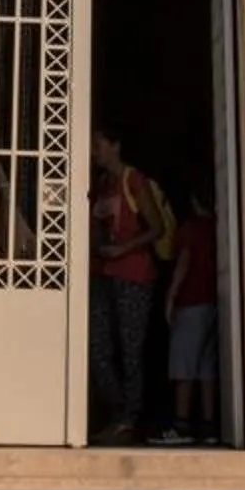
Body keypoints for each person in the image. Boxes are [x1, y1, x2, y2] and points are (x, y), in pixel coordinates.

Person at [88, 125, 161, 442]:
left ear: (116, 145)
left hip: (133, 275)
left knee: (131, 348)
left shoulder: (134, 179)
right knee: (98, 346)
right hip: (102, 273)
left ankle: (129, 418)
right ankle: (119, 412)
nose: (94, 152)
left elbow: (155, 227)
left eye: (98, 144)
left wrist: (122, 249)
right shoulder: (103, 184)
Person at [159, 183, 220, 445]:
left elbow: (183, 262)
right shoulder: (218, 228)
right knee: (207, 368)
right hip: (214, 304)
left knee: (183, 367)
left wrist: (171, 295)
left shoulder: (190, 229)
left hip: (191, 303)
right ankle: (210, 426)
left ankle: (181, 425)